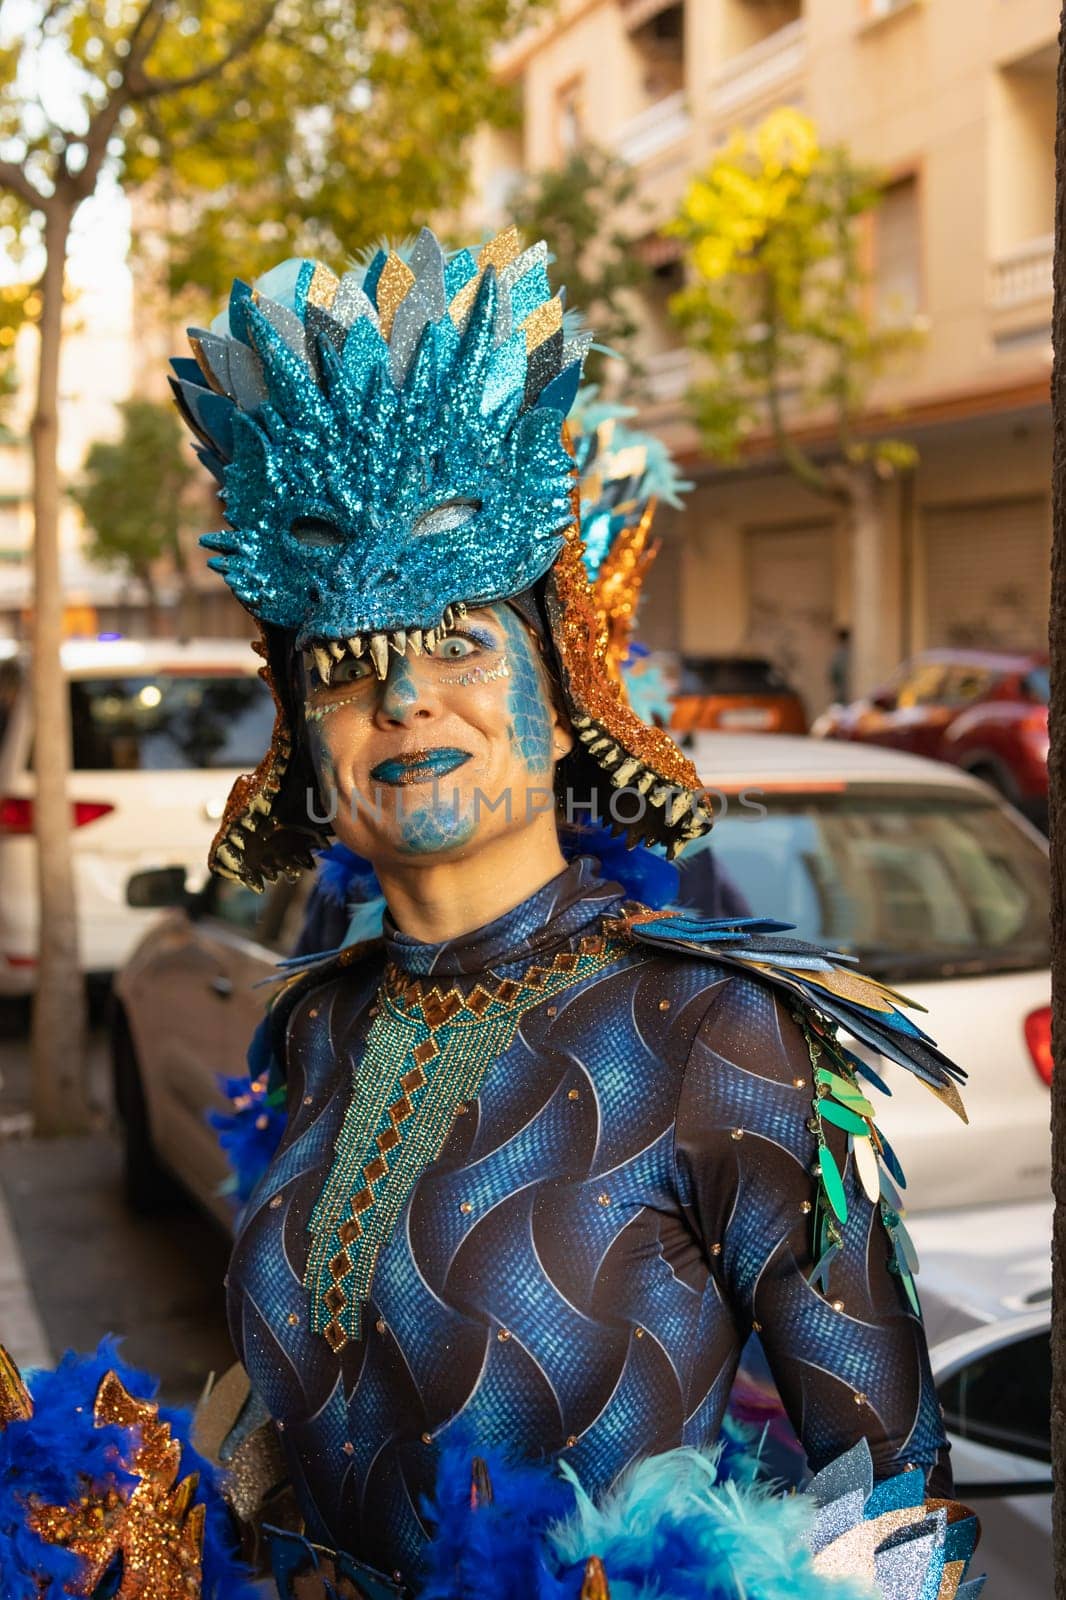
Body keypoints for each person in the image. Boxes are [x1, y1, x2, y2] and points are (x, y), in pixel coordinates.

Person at [0, 227, 978, 1600]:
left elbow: (894, 1522)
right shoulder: (320, 1027)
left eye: (460, 640)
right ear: (301, 735)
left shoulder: (720, 1034)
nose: (403, 701)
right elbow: (311, 1452)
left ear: (564, 689)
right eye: (346, 670)